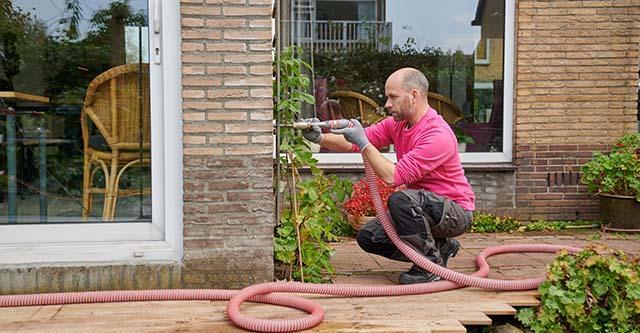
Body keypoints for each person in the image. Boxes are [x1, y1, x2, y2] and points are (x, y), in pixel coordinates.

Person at [302, 68, 475, 284]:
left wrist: (363, 143)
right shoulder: (398, 124)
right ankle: (440, 248)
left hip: (454, 212)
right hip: (421, 207)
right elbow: (354, 142)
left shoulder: (437, 134)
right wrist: (320, 138)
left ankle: (428, 267)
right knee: (370, 238)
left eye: (393, 97)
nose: (387, 104)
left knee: (400, 199)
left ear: (414, 96)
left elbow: (393, 177)